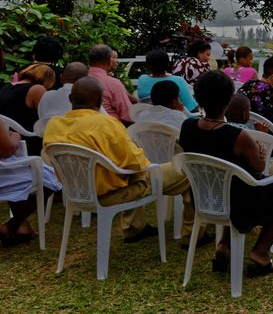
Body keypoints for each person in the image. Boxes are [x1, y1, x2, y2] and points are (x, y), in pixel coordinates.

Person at [43, 76, 194, 242]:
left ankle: (134, 227)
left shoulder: (53, 125)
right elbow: (136, 163)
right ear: (100, 100)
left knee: (128, 174)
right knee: (187, 171)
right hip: (113, 193)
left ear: (71, 99)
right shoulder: (105, 124)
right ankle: (192, 233)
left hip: (76, 191)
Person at [179, 70, 273, 277]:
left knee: (234, 185)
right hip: (240, 204)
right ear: (228, 99)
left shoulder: (187, 127)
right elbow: (259, 168)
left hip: (205, 199)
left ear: (197, 98)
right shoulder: (238, 135)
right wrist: (260, 149)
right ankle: (260, 252)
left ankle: (224, 245)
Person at [0, 120, 61, 247]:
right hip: (5, 177)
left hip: (7, 176)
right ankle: (11, 226)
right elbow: (7, 149)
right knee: (52, 179)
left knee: (22, 175)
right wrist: (15, 136)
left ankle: (22, 228)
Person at [0, 64, 56, 153]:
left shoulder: (6, 87)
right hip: (28, 141)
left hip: (6, 137)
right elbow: (47, 118)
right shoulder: (37, 89)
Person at [89, 44, 136, 124]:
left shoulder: (80, 78)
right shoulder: (113, 83)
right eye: (113, 57)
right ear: (109, 60)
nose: (116, 61)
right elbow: (128, 115)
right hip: (109, 127)